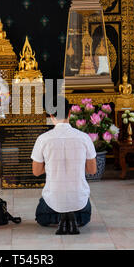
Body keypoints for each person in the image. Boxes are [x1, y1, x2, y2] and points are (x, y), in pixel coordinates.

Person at [31, 97, 97, 235]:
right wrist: (78, 164)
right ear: (69, 114)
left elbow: (36, 172)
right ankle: (71, 216)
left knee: (41, 217)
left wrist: (50, 166)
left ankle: (60, 216)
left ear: (51, 115)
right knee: (84, 216)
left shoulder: (43, 139)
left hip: (52, 203)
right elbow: (92, 170)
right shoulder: (84, 137)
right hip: (81, 207)